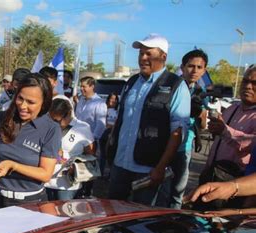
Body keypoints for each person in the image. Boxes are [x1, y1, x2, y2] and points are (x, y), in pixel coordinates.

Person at [106, 33, 190, 206]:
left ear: (163, 57)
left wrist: (160, 168)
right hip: (120, 165)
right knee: (113, 213)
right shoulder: (131, 82)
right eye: (141, 53)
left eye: (148, 54)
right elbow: (121, 119)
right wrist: (110, 148)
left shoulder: (176, 85)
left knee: (142, 220)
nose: (143, 58)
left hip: (148, 170)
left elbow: (178, 133)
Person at [0, 73, 61, 208]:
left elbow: (45, 174)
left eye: (31, 102)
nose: (22, 106)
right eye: (20, 98)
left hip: (29, 203)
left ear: (44, 103)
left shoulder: (51, 128)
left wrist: (13, 166)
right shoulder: (7, 116)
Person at [157, 49, 209, 209]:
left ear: (204, 70)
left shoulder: (201, 93)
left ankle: (172, 226)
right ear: (183, 66)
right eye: (190, 66)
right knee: (160, 191)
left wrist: (200, 114)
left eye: (199, 67)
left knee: (177, 192)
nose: (194, 70)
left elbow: (203, 126)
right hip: (164, 146)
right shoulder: (170, 86)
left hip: (185, 148)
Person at [202, 65, 256, 178]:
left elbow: (251, 144)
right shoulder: (232, 108)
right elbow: (218, 141)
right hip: (213, 173)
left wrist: (224, 131)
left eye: (254, 83)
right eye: (245, 81)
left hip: (236, 180)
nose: (248, 86)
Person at [45, 98, 95, 200]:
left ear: (68, 114)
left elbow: (90, 156)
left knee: (65, 215)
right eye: (51, 119)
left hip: (67, 186)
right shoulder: (47, 125)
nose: (54, 124)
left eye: (57, 121)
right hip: (45, 182)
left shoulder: (83, 128)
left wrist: (74, 164)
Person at [75, 76, 107, 197]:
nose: (82, 89)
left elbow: (101, 124)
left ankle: (87, 193)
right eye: (81, 86)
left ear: (92, 86)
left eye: (84, 86)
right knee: (77, 165)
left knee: (88, 168)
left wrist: (91, 140)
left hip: (90, 141)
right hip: (77, 139)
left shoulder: (99, 103)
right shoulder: (81, 100)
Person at [99, 93, 119, 177]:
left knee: (112, 155)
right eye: (111, 98)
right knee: (103, 154)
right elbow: (103, 122)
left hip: (113, 134)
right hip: (104, 134)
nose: (113, 101)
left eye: (115, 99)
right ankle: (100, 172)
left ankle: (111, 175)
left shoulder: (118, 111)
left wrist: (112, 127)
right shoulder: (104, 109)